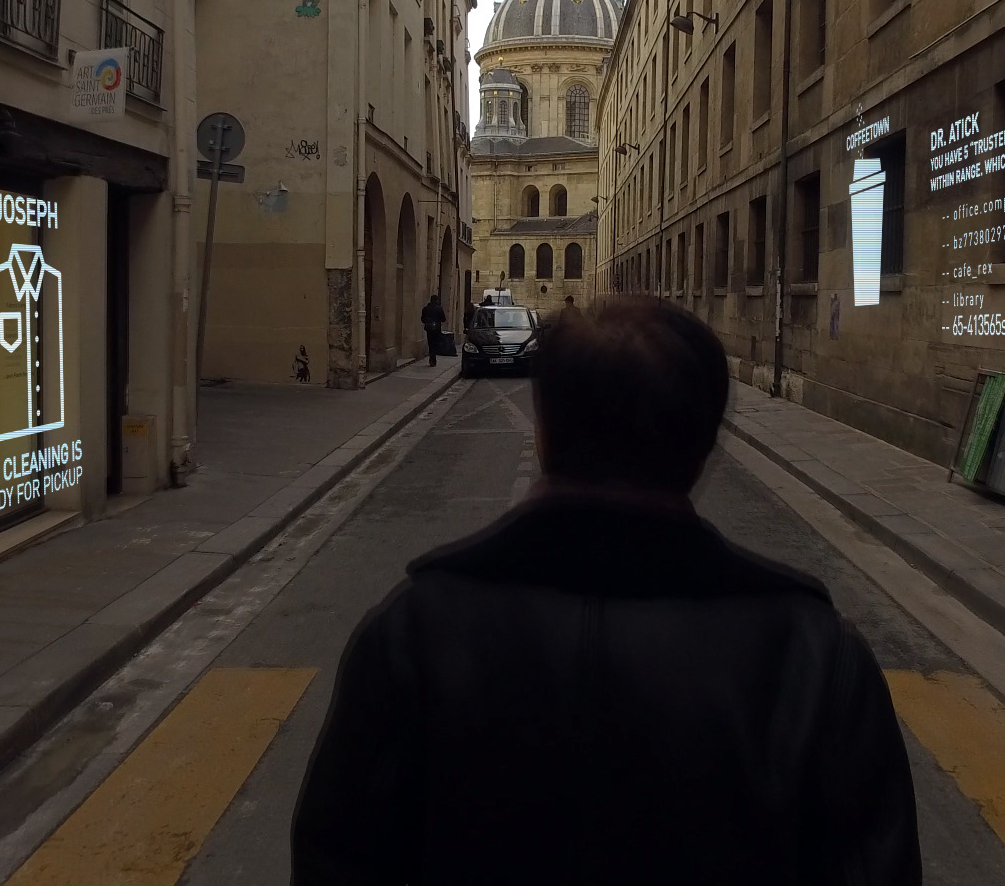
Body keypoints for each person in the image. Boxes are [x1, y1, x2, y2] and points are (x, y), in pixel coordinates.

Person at [292, 296, 920, 883]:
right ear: (704, 450)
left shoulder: (410, 635)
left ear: (542, 435)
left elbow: (336, 859)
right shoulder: (814, 659)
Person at [420, 294, 446, 367]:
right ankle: (433, 358)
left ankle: (432, 358)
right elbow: (443, 319)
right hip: (436, 328)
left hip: (429, 328)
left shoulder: (425, 309)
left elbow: (422, 319)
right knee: (435, 343)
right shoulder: (439, 309)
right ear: (436, 300)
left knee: (430, 343)